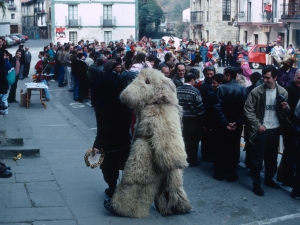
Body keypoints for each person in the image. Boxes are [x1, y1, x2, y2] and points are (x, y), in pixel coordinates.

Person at [244, 65, 288, 196]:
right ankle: (256, 184)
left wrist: (285, 108)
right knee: (257, 160)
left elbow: (285, 115)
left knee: (272, 158)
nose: (265, 80)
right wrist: (258, 125)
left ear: (275, 77)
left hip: (274, 130)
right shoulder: (256, 92)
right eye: (263, 77)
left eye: (267, 77)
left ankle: (269, 179)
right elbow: (248, 110)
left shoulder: (283, 92)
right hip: (260, 130)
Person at [91, 62, 131, 198]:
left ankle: (112, 187)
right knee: (126, 165)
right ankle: (125, 189)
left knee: (109, 167)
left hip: (107, 143)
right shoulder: (125, 103)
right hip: (123, 140)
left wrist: (96, 144)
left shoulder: (101, 105)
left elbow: (101, 128)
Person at [213, 67, 247, 182]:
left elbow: (217, 107)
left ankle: (219, 173)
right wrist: (236, 122)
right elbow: (245, 109)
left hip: (223, 126)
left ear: (227, 75)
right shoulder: (243, 89)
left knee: (220, 148)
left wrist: (226, 122)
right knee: (233, 149)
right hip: (236, 125)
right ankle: (231, 174)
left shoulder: (221, 89)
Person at [177, 73, 204, 167]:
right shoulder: (195, 91)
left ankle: (181, 159)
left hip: (179, 119)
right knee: (193, 142)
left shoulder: (177, 90)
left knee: (182, 140)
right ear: (192, 79)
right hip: (193, 120)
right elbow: (200, 107)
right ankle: (192, 161)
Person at [282, 69, 300, 199]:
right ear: (294, 77)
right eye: (298, 78)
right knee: (290, 152)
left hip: (297, 126)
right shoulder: (288, 89)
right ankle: (286, 177)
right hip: (290, 125)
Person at [199, 66, 216, 161]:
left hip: (212, 113)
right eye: (208, 74)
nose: (209, 76)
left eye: (211, 74)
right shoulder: (204, 85)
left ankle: (210, 153)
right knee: (205, 135)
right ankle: (206, 155)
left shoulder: (213, 84)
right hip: (206, 112)